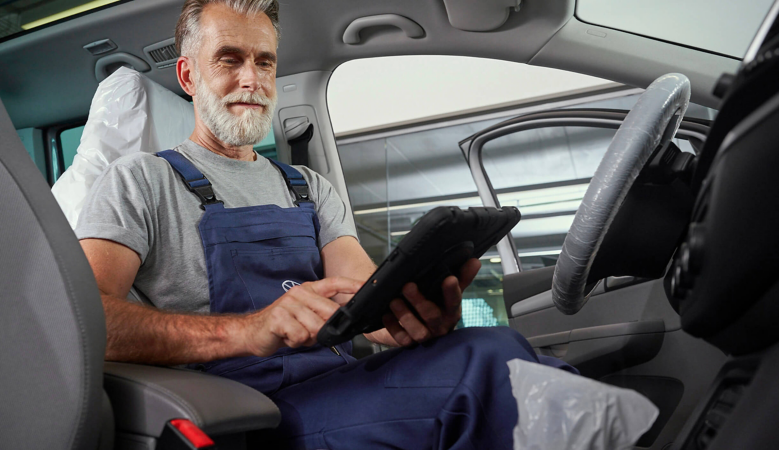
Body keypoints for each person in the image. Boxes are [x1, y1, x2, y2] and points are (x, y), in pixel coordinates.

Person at [77, 0, 574, 448]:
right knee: (487, 370)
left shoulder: (309, 187)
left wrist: (402, 321)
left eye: (264, 62)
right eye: (229, 59)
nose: (251, 79)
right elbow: (85, 323)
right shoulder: (141, 180)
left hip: (337, 383)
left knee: (494, 346)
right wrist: (249, 330)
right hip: (249, 413)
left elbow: (361, 296)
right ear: (187, 76)